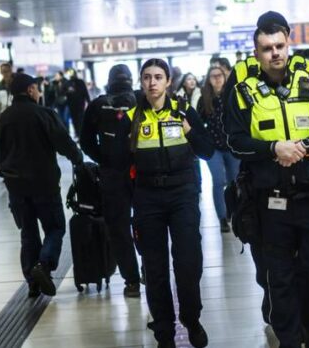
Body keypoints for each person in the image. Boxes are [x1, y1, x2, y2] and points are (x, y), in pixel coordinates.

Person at [225, 10, 309, 348]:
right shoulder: (243, 92)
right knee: (279, 280)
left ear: (289, 44)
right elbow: (234, 140)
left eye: (279, 46)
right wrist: (273, 148)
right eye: (267, 48)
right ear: (257, 53)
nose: (274, 53)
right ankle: (290, 339)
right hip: (271, 202)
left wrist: (303, 146)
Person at [125, 59, 213, 348]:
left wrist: (188, 129)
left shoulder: (183, 111)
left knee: (188, 262)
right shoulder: (131, 117)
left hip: (182, 195)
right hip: (147, 199)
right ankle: (164, 331)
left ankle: (191, 318)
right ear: (141, 82)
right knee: (155, 267)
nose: (152, 83)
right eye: (147, 77)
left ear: (167, 82)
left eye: (158, 77)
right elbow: (119, 163)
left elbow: (207, 149)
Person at [0, 73, 83, 298]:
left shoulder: (2, 119)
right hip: (44, 184)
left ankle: (32, 282)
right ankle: (44, 264)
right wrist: (78, 158)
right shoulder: (44, 114)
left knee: (28, 233)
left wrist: (6, 172)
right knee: (55, 227)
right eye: (37, 89)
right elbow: (64, 142)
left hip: (16, 188)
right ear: (31, 90)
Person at [80, 65, 142, 298]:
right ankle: (149, 267)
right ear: (131, 79)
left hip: (111, 176)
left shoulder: (97, 105)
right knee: (148, 222)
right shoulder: (140, 99)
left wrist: (103, 158)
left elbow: (85, 141)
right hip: (142, 172)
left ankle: (131, 281)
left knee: (118, 229)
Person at [198, 65, 239, 233]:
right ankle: (222, 218)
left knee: (234, 181)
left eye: (220, 75)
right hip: (213, 147)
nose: (217, 78)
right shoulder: (204, 99)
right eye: (213, 76)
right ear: (209, 79)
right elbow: (199, 123)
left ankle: (233, 213)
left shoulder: (232, 95)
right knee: (218, 181)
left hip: (232, 146)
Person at [65, 70, 91, 136]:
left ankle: (80, 133)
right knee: (75, 119)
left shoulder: (80, 82)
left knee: (79, 119)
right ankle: (78, 133)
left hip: (79, 104)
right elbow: (65, 93)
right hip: (73, 105)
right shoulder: (68, 83)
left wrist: (89, 102)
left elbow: (85, 92)